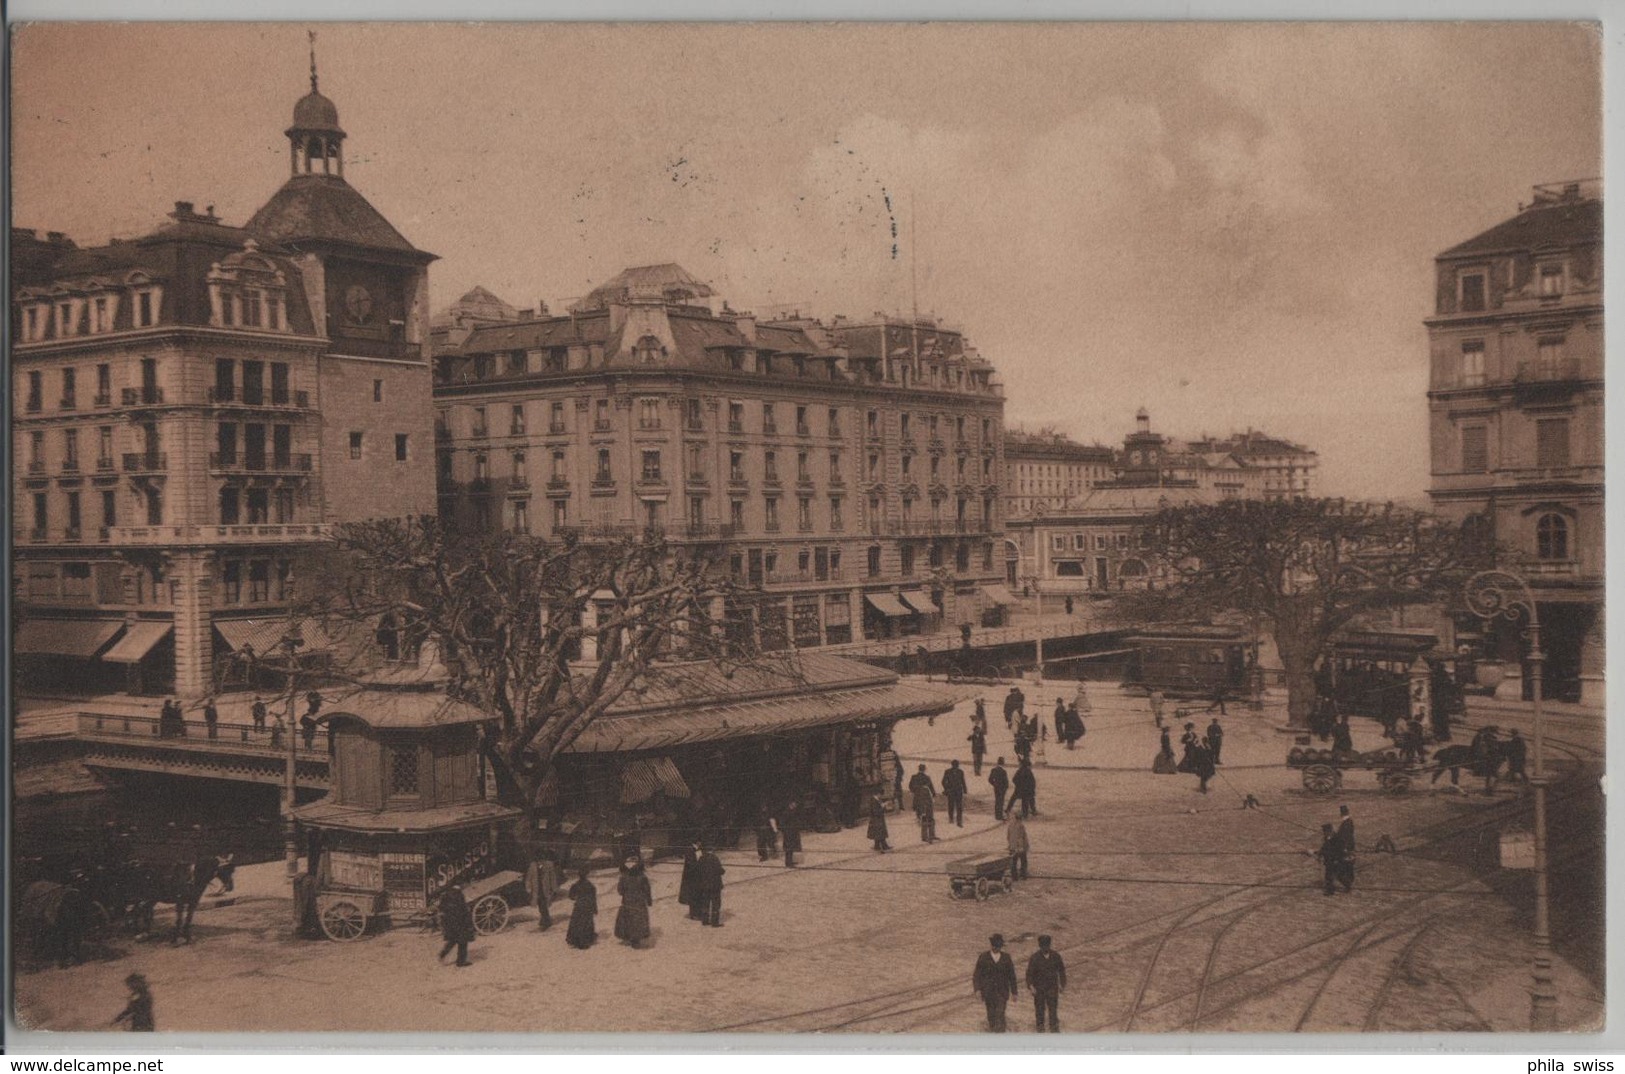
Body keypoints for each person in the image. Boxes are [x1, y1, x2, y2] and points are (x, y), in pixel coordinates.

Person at [972, 934, 1018, 1033]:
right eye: (994, 946)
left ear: (1001, 946)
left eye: (998, 946)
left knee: (1000, 1014)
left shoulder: (1006, 958)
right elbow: (977, 975)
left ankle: (1001, 1034)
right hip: (988, 993)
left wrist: (1014, 992)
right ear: (991, 945)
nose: (996, 948)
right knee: (991, 1015)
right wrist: (977, 990)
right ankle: (993, 1032)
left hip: (1002, 992)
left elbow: (1012, 976)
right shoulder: (983, 957)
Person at [1025, 934, 1066, 1032]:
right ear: (1040, 946)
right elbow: (1029, 974)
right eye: (1043, 946)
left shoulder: (1056, 956)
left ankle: (1054, 1029)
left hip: (1052, 988)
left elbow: (1061, 971)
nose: (1045, 948)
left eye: (1047, 946)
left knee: (1053, 1010)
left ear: (1049, 945)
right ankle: (1040, 1029)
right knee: (1039, 1011)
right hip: (1039, 989)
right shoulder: (1035, 958)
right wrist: (1031, 986)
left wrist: (1062, 984)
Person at [614, 857, 653, 947]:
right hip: (639, 903)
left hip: (628, 902)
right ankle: (636, 939)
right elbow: (647, 890)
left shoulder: (624, 877)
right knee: (638, 920)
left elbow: (620, 891)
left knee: (628, 920)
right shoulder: (643, 877)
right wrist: (649, 900)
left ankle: (629, 936)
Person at [437, 884, 475, 966]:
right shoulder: (460, 895)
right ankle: (461, 962)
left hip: (449, 923)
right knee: (463, 942)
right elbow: (464, 910)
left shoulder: (445, 895)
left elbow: (441, 908)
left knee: (452, 940)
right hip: (460, 923)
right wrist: (469, 923)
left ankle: (442, 954)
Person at [1315, 823, 1353, 895]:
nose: (1324, 833)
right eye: (1324, 832)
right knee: (1328, 876)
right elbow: (1324, 847)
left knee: (1339, 876)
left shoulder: (1338, 838)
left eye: (1326, 831)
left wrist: (1339, 858)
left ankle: (1348, 885)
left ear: (1330, 831)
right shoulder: (1327, 838)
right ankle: (1330, 891)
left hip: (1337, 860)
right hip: (1329, 860)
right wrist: (1320, 854)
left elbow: (1342, 850)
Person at [694, 844, 725, 927]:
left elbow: (697, 871)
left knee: (705, 903)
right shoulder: (715, 858)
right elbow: (720, 871)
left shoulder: (701, 858)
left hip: (704, 885)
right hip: (715, 885)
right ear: (712, 850)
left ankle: (705, 920)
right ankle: (714, 922)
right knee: (716, 904)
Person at [566, 869, 598, 949]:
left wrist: (576, 898)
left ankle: (575, 939)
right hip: (588, 906)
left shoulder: (575, 885)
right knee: (587, 923)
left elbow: (571, 896)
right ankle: (586, 939)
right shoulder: (590, 886)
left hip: (578, 906)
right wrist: (595, 908)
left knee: (576, 923)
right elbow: (593, 898)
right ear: (587, 875)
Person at [528, 852, 559, 931]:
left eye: (541, 861)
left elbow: (552, 877)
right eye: (538, 861)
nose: (540, 863)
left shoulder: (549, 865)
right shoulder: (532, 866)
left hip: (545, 889)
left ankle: (546, 922)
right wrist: (528, 888)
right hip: (536, 889)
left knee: (544, 905)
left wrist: (554, 888)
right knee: (540, 906)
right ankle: (544, 919)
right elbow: (529, 877)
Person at [679, 841, 702, 921]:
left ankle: (697, 913)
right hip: (691, 877)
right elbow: (691, 864)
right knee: (693, 895)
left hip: (697, 876)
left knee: (697, 895)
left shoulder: (698, 850)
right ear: (697, 842)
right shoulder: (689, 850)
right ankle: (693, 914)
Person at [942, 760, 968, 827]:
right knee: (952, 805)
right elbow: (943, 781)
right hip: (953, 791)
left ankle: (957, 820)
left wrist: (965, 789)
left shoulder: (960, 772)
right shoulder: (948, 771)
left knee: (957, 806)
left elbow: (962, 781)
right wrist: (947, 788)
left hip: (957, 791)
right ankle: (952, 819)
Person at [1006, 811, 1029, 880]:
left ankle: (1014, 876)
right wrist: (1022, 846)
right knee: (1023, 861)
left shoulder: (1010, 825)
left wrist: (1010, 844)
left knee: (1013, 862)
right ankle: (1023, 875)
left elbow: (1008, 836)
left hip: (1012, 847)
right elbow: (1021, 837)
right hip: (1019, 847)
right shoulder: (1021, 826)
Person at [780, 801, 803, 867]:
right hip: (789, 833)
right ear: (790, 804)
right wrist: (786, 831)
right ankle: (788, 863)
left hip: (793, 832)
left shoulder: (793, 812)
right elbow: (783, 823)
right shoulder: (786, 812)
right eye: (794, 804)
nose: (795, 805)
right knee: (789, 848)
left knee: (793, 847)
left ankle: (792, 861)